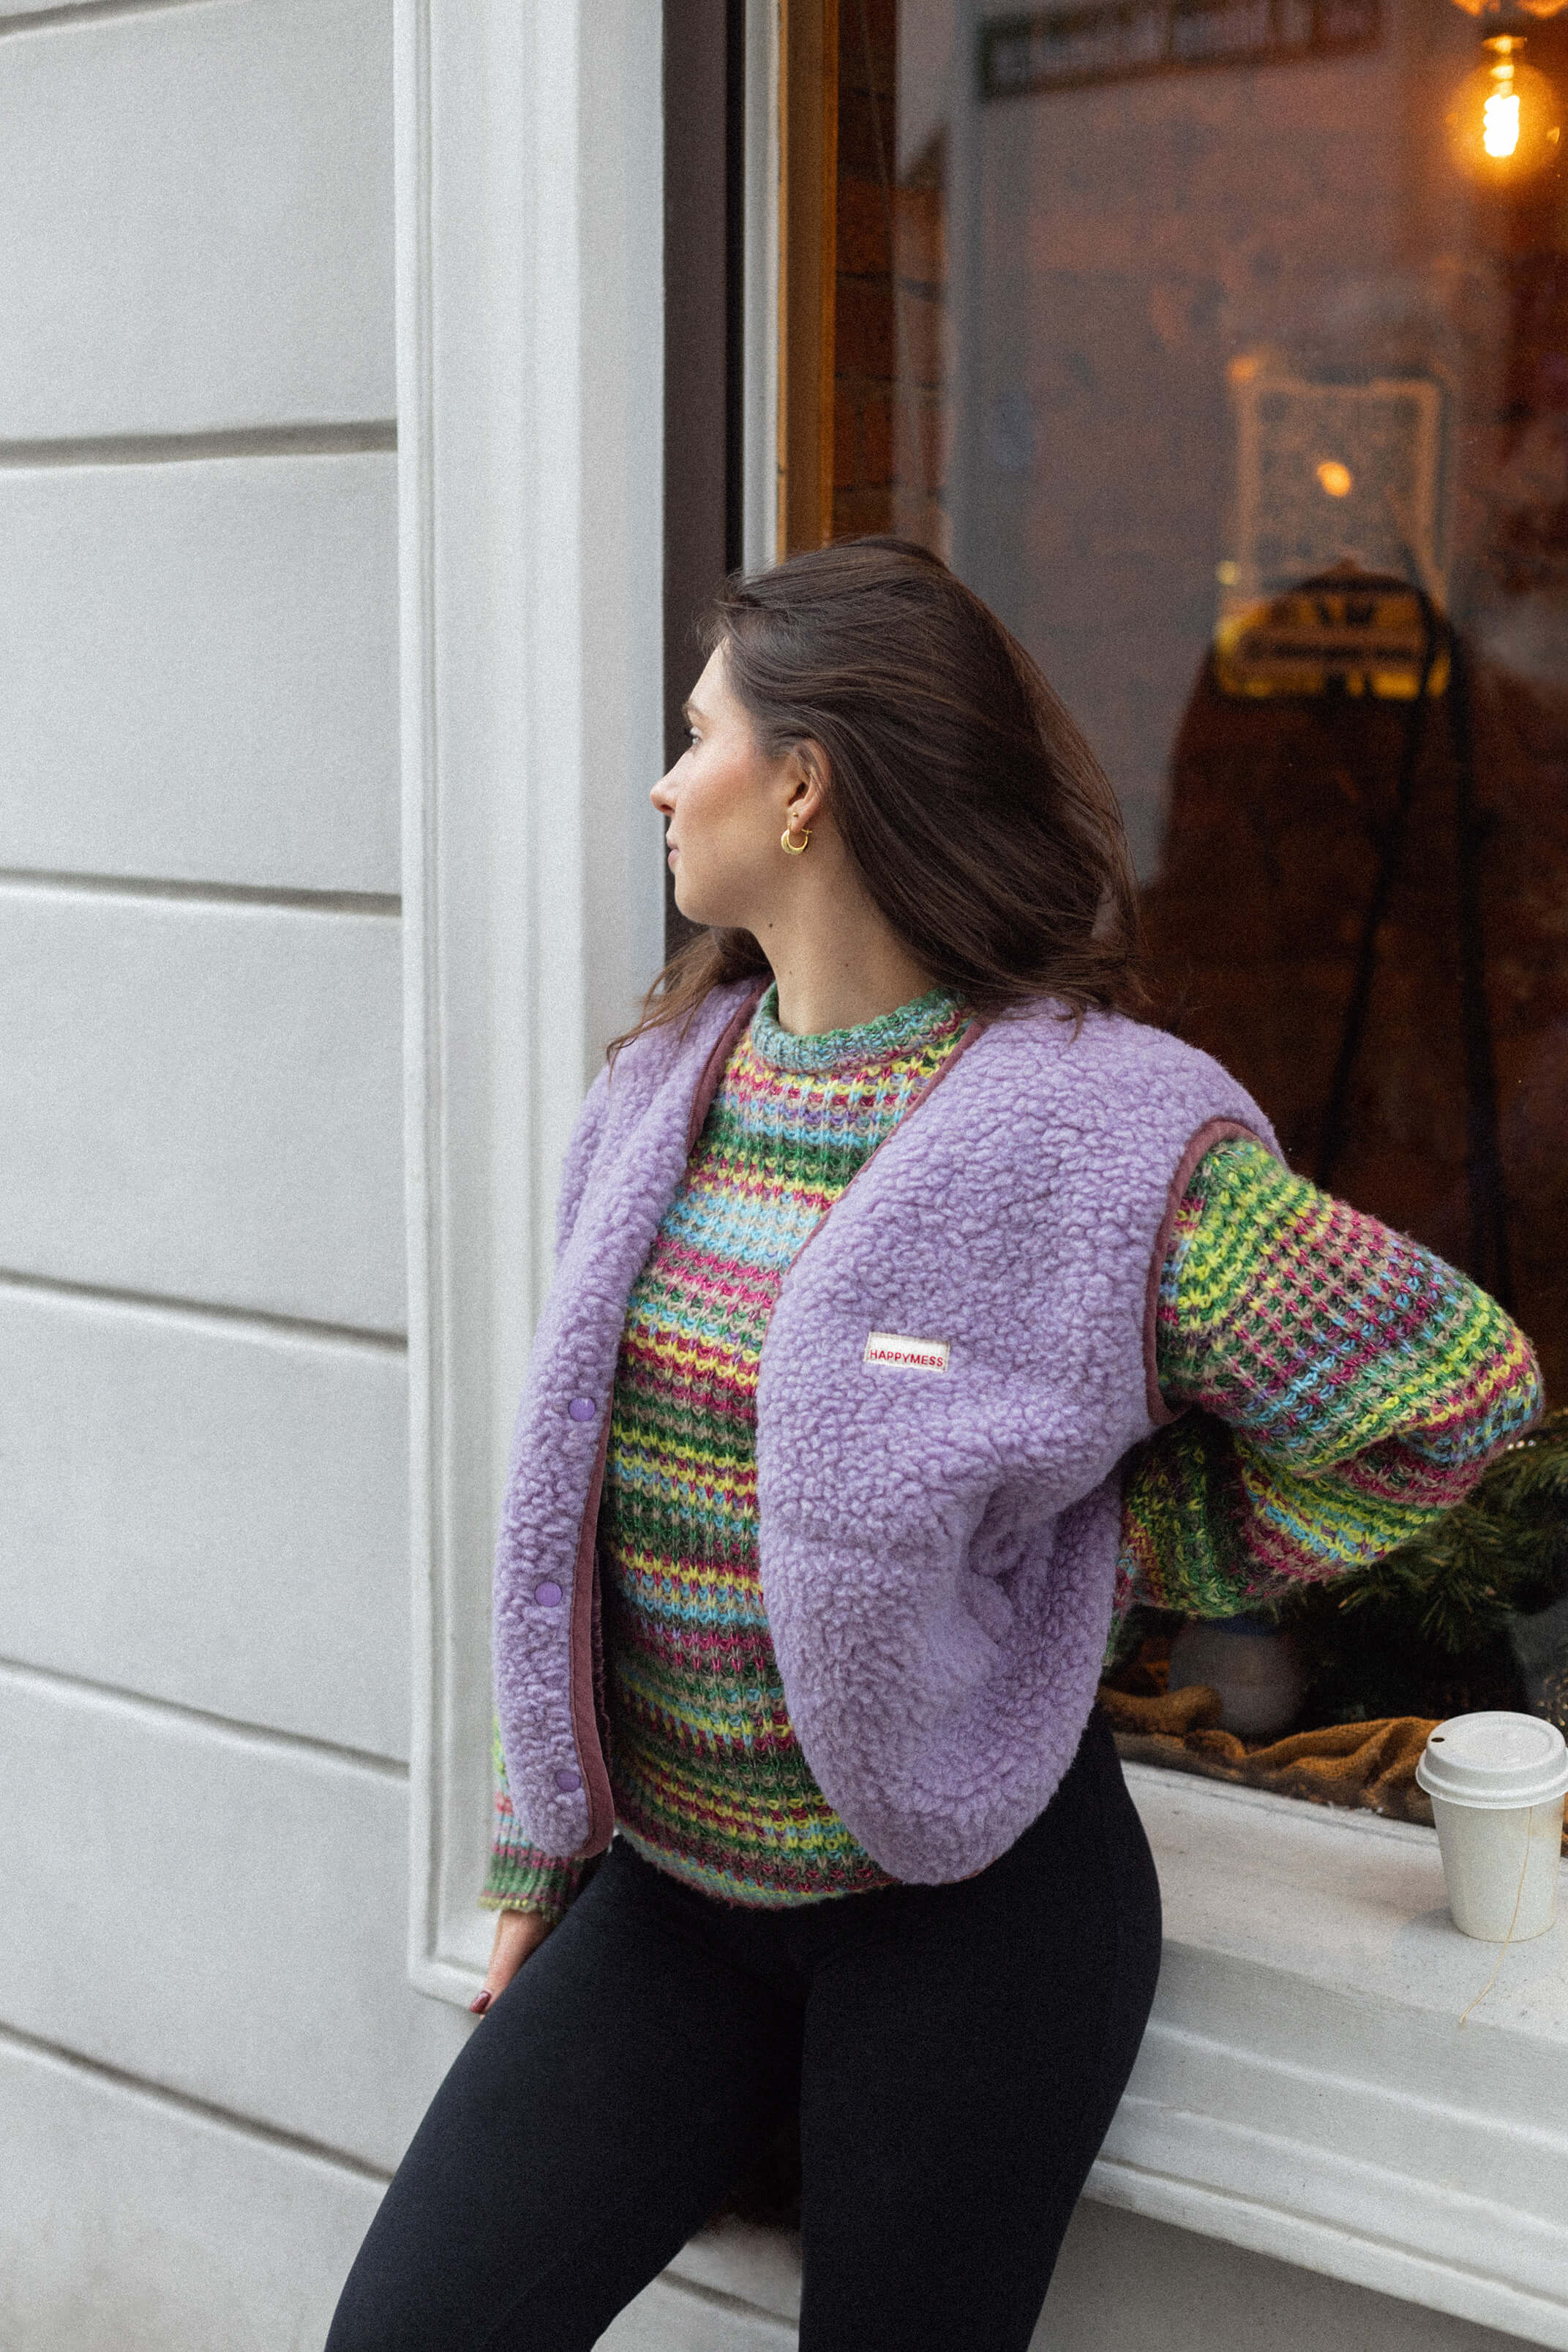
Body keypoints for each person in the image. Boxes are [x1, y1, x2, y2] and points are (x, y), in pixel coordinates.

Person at [326, 539, 1539, 2352]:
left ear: (802, 784)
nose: (665, 780)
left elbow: (1449, 1396)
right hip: (672, 1895)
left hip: (968, 1923)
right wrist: (536, 1844)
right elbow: (567, 1517)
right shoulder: (662, 1089)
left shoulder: (1090, 1135)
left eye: (698, 734)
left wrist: (1119, 1555)